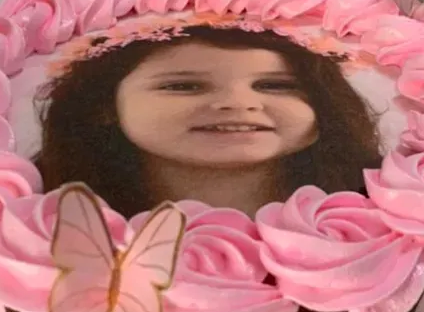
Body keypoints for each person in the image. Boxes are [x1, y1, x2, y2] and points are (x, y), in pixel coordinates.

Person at [38, 24, 381, 217]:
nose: (238, 103)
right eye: (184, 86)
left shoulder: (374, 211)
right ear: (104, 105)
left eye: (275, 86)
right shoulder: (52, 215)